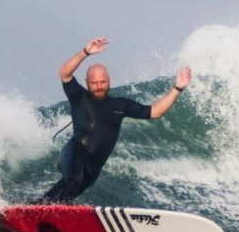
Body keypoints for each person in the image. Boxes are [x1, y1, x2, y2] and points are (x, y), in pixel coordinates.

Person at [41, 37, 192, 203]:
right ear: (87, 82)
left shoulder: (120, 104)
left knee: (66, 196)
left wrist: (177, 88)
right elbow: (64, 73)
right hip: (75, 153)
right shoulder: (79, 97)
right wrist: (85, 52)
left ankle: (36, 209)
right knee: (72, 179)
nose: (99, 86)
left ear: (109, 81)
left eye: (103, 82)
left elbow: (155, 112)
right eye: (94, 82)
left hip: (94, 168)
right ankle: (40, 209)